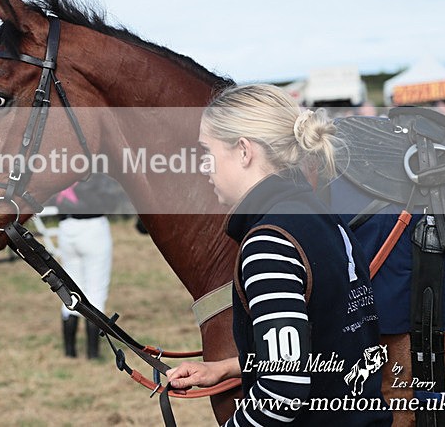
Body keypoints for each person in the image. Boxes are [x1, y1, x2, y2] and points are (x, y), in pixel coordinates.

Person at [167, 84, 391, 426]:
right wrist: (226, 367)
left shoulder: (268, 242)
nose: (204, 168)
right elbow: (322, 347)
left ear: (243, 151)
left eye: (207, 152)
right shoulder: (321, 217)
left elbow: (282, 391)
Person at [53, 173, 115, 359]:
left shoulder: (62, 167)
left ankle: (70, 352)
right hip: (93, 226)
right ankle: (92, 353)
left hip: (66, 228)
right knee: (96, 291)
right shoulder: (95, 169)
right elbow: (110, 199)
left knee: (71, 290)